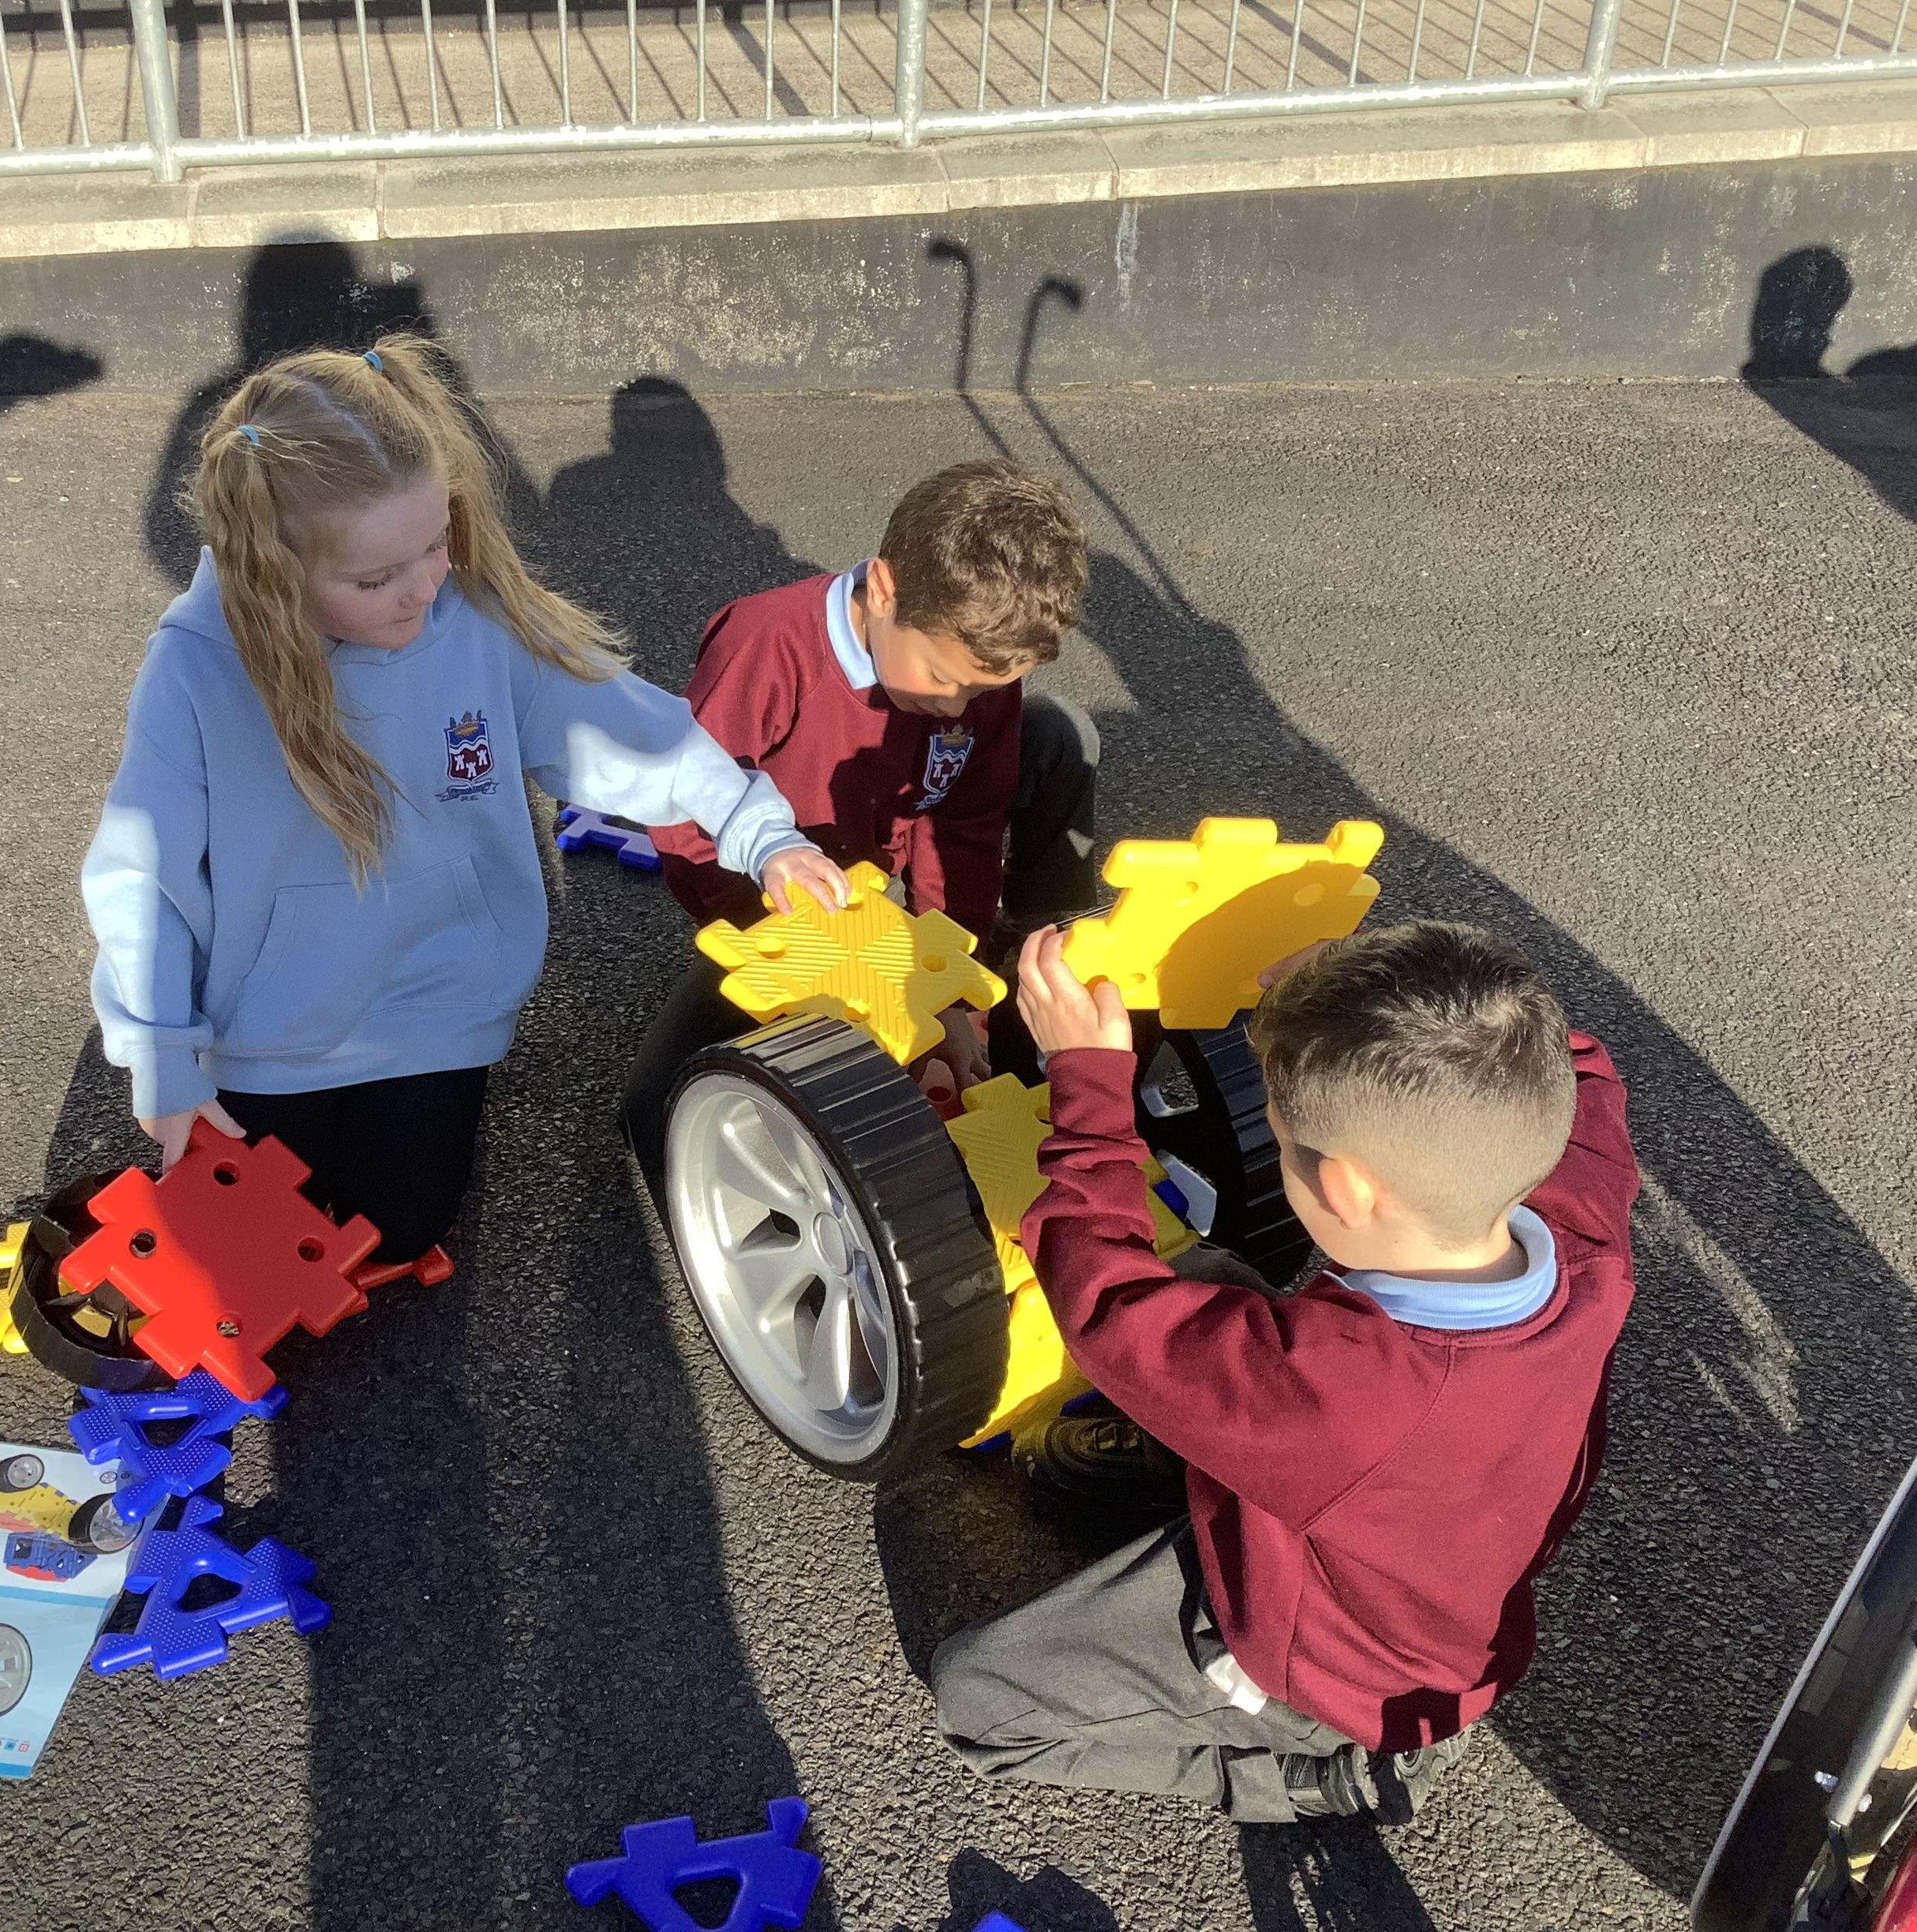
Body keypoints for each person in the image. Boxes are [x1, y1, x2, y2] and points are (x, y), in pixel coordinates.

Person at [80, 336, 846, 1263]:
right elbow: (145, 874)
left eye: (436, 542)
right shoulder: (197, 668)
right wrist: (162, 1051)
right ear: (272, 570)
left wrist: (760, 832)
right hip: (268, 1029)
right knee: (254, 1252)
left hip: (433, 1011)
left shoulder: (473, 621)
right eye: (376, 579)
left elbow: (633, 732)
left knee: (398, 1233)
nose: (425, 588)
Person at [930, 919, 1639, 1823]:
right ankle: (1213, 1478)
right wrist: (1364, 982)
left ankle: (1323, 1779)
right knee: (1207, 1285)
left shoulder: (1338, 1396)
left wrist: (1088, 1090)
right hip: (1423, 1553)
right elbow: (1579, 1062)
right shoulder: (1580, 1227)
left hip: (1331, 1666)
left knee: (978, 1699)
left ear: (1345, 1190)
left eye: (1282, 1138)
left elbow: (1107, 1305)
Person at [623, 458, 1101, 1174]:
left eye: (981, 690)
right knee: (654, 1116)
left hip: (882, 871)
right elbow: (684, 812)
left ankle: (1036, 950)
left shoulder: (974, 668)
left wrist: (954, 993)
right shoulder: (767, 645)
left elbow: (962, 832)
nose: (955, 706)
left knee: (1060, 735)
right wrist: (817, 969)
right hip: (784, 903)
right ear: (882, 590)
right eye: (941, 678)